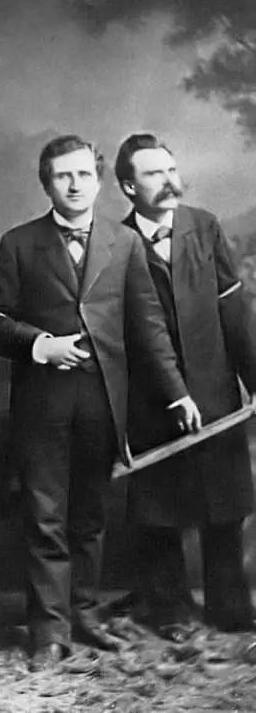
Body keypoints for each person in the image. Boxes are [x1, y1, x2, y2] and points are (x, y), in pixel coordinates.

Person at [0, 135, 201, 671]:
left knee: (90, 517)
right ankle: (48, 631)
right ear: (47, 184)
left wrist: (177, 391)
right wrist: (40, 345)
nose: (75, 185)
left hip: (103, 402)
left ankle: (83, 614)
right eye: (63, 175)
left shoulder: (124, 244)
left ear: (100, 181)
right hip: (41, 405)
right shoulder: (18, 243)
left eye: (84, 174)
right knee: (45, 516)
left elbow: (147, 326)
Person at [115, 133, 256, 637]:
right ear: (128, 187)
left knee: (224, 502)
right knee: (160, 509)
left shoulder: (204, 227)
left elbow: (233, 309)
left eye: (171, 169)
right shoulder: (115, 244)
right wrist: (168, 392)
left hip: (215, 389)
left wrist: (254, 377)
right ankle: (169, 610)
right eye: (154, 173)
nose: (169, 181)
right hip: (151, 396)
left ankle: (230, 607)